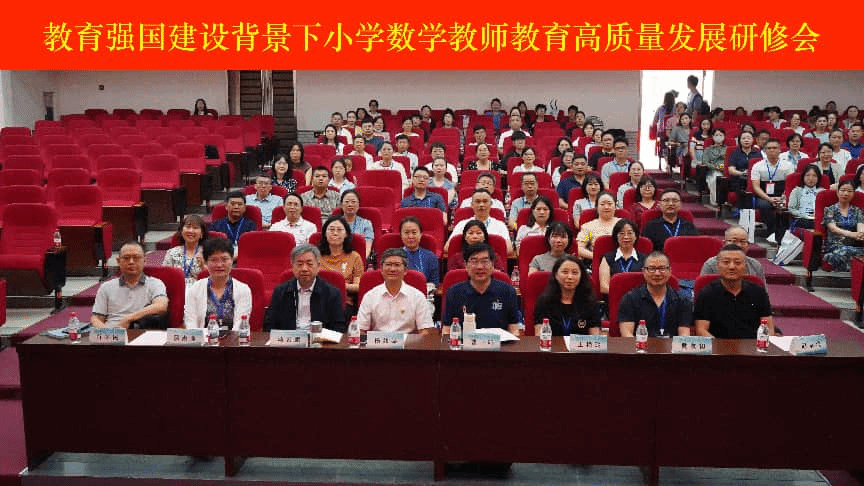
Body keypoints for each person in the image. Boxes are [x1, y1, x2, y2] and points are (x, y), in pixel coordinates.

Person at [694, 244, 774, 338]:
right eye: (726, 262)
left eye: (737, 263)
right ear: (718, 265)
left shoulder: (758, 292)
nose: (732, 267)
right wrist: (719, 346)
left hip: (752, 345)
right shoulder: (706, 294)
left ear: (745, 266)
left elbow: (769, 328)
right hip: (718, 344)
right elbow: (701, 330)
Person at [442, 243, 520, 336]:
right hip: (464, 344)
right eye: (474, 261)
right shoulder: (454, 292)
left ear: (492, 265)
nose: (479, 267)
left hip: (499, 344)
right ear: (466, 265)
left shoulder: (507, 291)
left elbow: (514, 329)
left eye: (484, 261)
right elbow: (447, 330)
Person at [264, 244, 346, 332]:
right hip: (289, 338)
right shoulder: (280, 291)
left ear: (318, 266)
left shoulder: (332, 293)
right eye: (299, 264)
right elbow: (269, 324)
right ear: (292, 266)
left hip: (319, 339)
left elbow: (339, 327)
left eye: (309, 264)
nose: (304, 269)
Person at [356, 248, 436, 335]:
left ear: (405, 270)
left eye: (397, 265)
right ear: (381, 269)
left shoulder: (417, 297)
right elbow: (360, 329)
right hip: (378, 342)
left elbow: (426, 330)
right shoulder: (370, 296)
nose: (392, 269)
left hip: (408, 342)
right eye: (388, 264)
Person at [91, 241, 168, 329]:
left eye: (136, 258)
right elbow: (96, 318)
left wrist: (129, 318)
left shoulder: (155, 284)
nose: (131, 262)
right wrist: (107, 332)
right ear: (118, 261)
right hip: (111, 332)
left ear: (144, 260)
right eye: (126, 258)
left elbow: (161, 306)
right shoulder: (106, 287)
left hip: (139, 331)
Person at [618, 251, 692, 338]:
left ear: (670, 271)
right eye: (652, 269)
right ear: (644, 271)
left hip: (671, 346)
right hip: (639, 345)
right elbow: (627, 335)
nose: (657, 273)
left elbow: (684, 336)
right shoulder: (630, 299)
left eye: (662, 268)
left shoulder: (683, 301)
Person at [183, 238, 252, 330]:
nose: (219, 265)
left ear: (232, 260)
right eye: (213, 260)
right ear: (206, 262)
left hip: (234, 338)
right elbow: (190, 322)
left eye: (224, 259)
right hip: (202, 338)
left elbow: (240, 324)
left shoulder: (243, 289)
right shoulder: (195, 289)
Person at [534, 255, 601, 336]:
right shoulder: (544, 301)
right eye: (565, 272)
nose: (570, 277)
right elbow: (539, 335)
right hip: (552, 344)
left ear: (581, 276)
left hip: (580, 344)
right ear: (556, 275)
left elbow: (595, 337)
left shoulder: (590, 302)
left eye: (575, 273)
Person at [750, 138, 795, 244]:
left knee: (788, 205)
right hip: (764, 195)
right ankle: (772, 232)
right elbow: (756, 187)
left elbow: (790, 185)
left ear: (779, 150)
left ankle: (785, 233)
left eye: (774, 148)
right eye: (769, 148)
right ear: (765, 151)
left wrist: (783, 197)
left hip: (783, 195)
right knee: (764, 205)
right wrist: (769, 199)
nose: (772, 150)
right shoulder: (757, 166)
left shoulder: (788, 165)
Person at [450, 189, 513, 256]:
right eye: (478, 201)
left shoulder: (500, 225)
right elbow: (448, 247)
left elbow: (509, 249)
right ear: (472, 205)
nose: (481, 205)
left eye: (485, 201)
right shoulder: (462, 224)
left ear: (491, 204)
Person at [318, 216, 363, 307]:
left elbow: (358, 286)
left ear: (346, 234)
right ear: (325, 233)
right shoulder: (315, 255)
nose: (335, 233)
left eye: (339, 230)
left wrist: (339, 285)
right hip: (318, 299)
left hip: (344, 302)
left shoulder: (354, 257)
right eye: (331, 229)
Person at [700, 225, 766, 284]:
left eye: (742, 242)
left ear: (748, 245)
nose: (739, 245)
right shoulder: (711, 265)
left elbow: (763, 291)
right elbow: (702, 291)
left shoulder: (755, 265)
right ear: (724, 243)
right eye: (734, 241)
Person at [822, 181, 864, 271]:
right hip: (834, 247)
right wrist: (852, 234)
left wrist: (860, 234)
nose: (846, 193)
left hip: (853, 246)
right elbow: (833, 229)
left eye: (849, 191)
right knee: (844, 251)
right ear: (837, 192)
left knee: (851, 251)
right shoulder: (830, 210)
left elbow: (861, 226)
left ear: (853, 194)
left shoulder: (857, 211)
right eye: (843, 190)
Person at [598, 219, 646, 295]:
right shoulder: (607, 259)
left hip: (638, 299)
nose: (626, 237)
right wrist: (623, 295)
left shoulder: (645, 259)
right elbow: (604, 287)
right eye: (622, 233)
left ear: (636, 236)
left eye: (630, 233)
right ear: (616, 236)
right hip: (614, 298)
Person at [162, 214, 208, 286]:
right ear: (181, 231)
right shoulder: (172, 253)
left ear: (202, 233)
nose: (191, 231)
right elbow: (164, 277)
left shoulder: (208, 253)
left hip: (201, 289)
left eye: (195, 228)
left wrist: (204, 266)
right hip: (176, 289)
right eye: (188, 227)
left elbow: (215, 279)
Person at [576, 192, 620, 261]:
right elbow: (578, 248)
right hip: (597, 261)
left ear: (615, 206)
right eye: (602, 204)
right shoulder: (588, 226)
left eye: (609, 204)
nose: (606, 207)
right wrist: (596, 257)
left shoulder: (623, 224)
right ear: (596, 207)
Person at [399, 216, 439, 287]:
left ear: (420, 234)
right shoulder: (393, 257)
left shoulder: (431, 257)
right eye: (406, 233)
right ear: (401, 235)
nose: (410, 236)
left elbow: (434, 283)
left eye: (414, 232)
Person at [787, 164, 825, 230]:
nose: (811, 179)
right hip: (801, 218)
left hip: (818, 219)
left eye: (814, 176)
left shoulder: (823, 192)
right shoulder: (797, 191)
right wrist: (804, 215)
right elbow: (791, 208)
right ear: (803, 177)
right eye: (807, 175)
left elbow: (828, 209)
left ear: (818, 178)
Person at [340, 189, 373, 259]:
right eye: (346, 202)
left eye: (353, 202)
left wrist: (358, 261)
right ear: (341, 205)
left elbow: (367, 248)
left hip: (359, 259)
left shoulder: (366, 224)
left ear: (358, 205)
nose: (350, 204)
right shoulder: (335, 223)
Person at [701, 129, 727, 207]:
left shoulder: (728, 149)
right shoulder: (708, 149)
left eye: (721, 135)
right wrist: (716, 167)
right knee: (715, 179)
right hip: (713, 171)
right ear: (713, 136)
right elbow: (705, 162)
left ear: (724, 137)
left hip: (726, 170)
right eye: (716, 135)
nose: (719, 137)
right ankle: (715, 202)